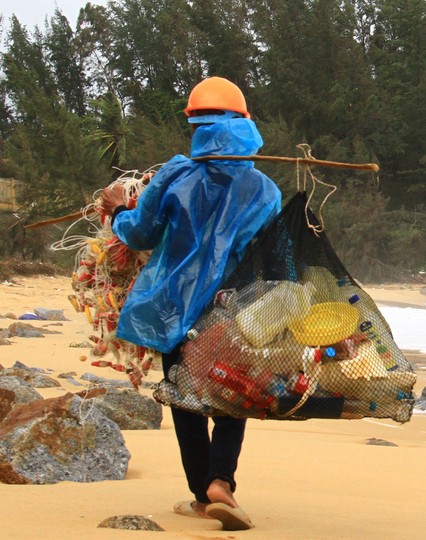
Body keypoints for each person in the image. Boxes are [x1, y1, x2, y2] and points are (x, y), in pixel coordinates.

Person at [100, 76, 282, 531]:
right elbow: (274, 257)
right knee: (232, 392)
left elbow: (139, 233)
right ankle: (222, 481)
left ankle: (202, 495)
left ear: (195, 124)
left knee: (185, 397)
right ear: (244, 122)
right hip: (237, 308)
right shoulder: (265, 190)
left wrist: (117, 209)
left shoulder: (175, 176)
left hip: (171, 308)